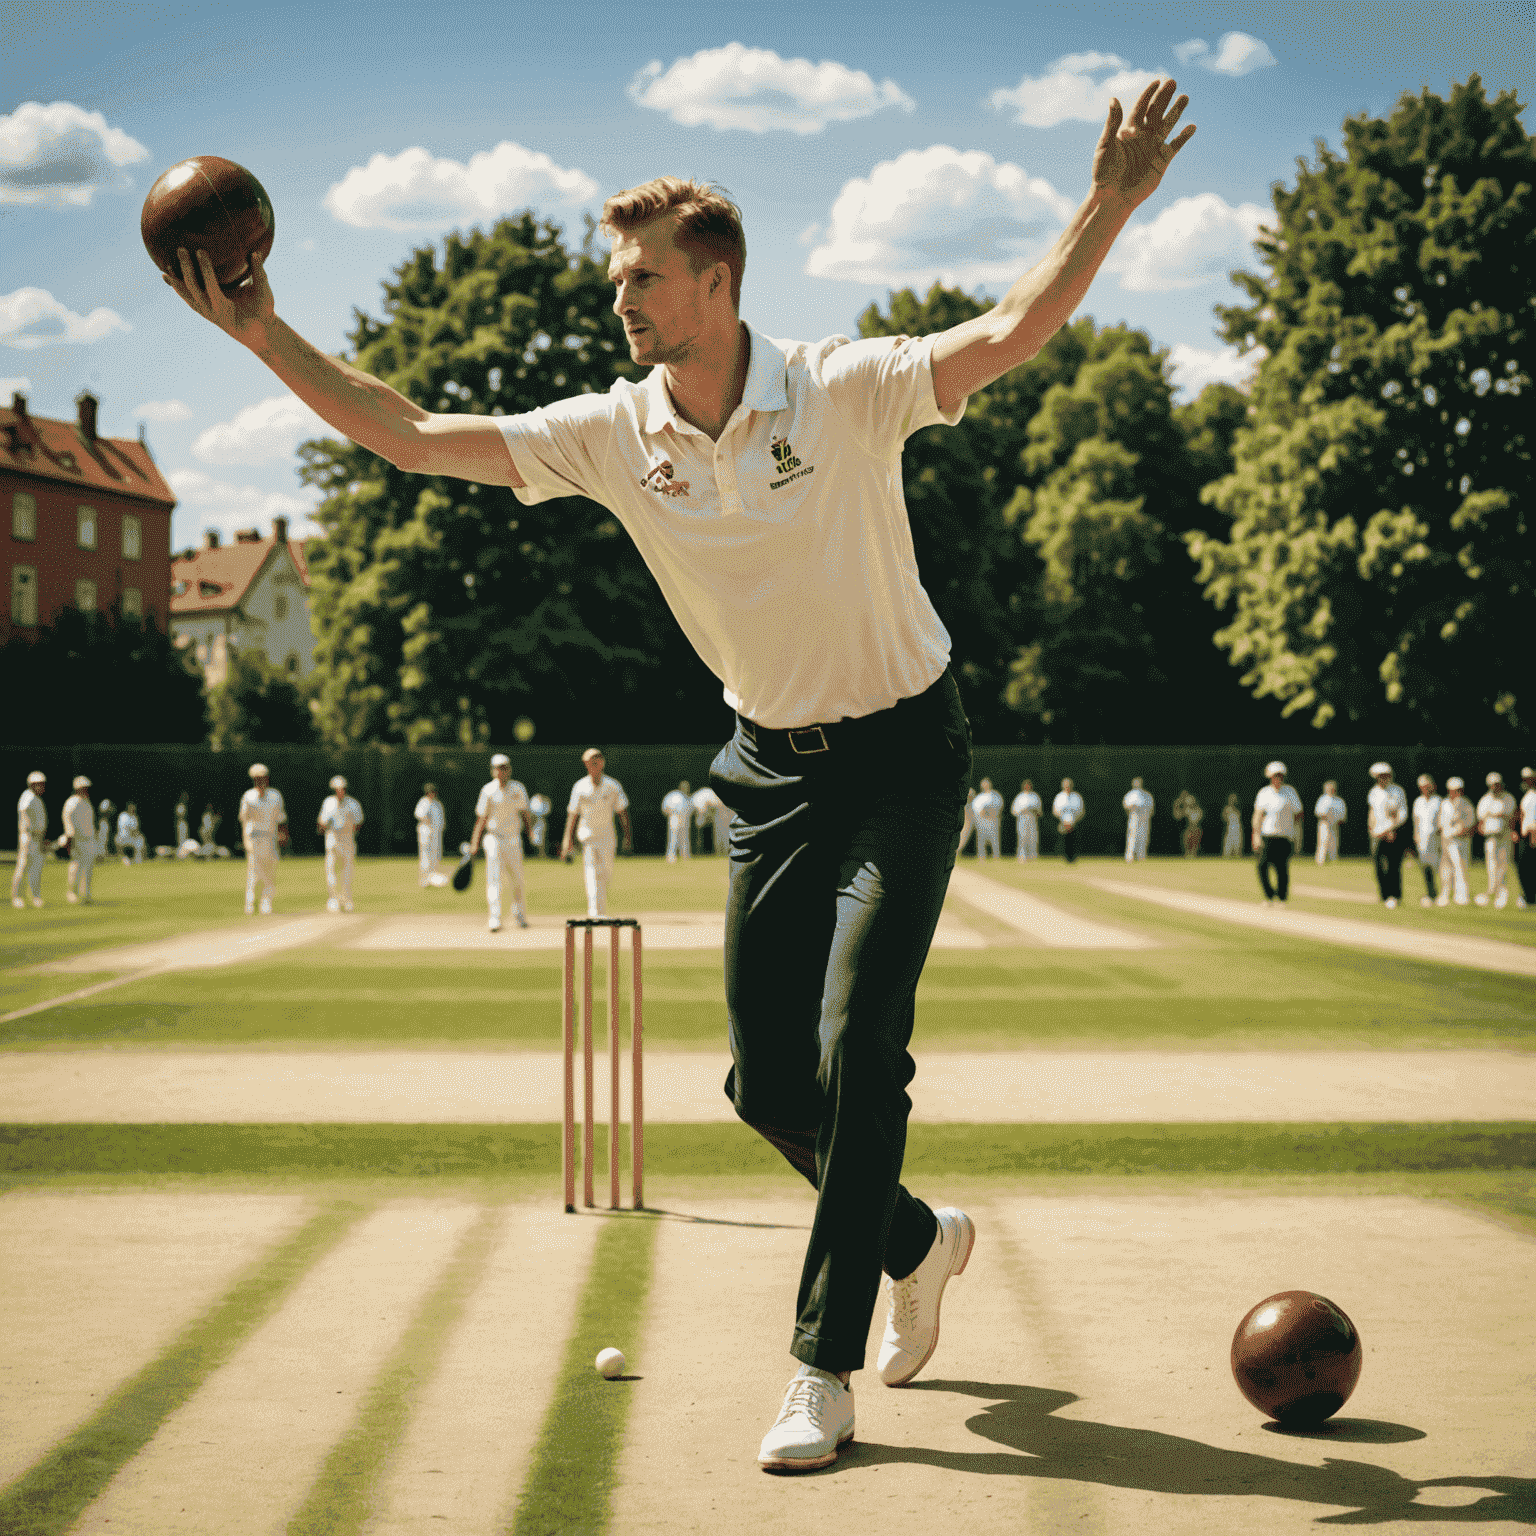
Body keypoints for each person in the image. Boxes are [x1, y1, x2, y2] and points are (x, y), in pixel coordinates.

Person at [162, 73, 1196, 1473]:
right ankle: (918, 1240)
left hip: (904, 749)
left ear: (716, 283)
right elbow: (406, 434)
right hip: (768, 768)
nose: (620, 295)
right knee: (767, 1085)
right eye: (615, 275)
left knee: (857, 1050)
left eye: (643, 274)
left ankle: (819, 1371)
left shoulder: (842, 385)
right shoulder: (612, 432)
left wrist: (1109, 203)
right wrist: (262, 328)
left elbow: (1013, 331)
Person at [560, 748, 631, 918]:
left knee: (605, 874)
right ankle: (594, 912)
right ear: (585, 763)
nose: (594, 762)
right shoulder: (579, 787)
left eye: (597, 759)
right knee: (591, 872)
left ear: (602, 762)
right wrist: (566, 840)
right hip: (588, 837)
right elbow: (572, 815)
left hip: (607, 836)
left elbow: (622, 812)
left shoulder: (613, 785)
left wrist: (627, 836)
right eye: (590, 760)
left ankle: (601, 911)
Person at [469, 753, 533, 932]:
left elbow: (525, 814)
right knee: (494, 880)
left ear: (509, 769)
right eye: (498, 768)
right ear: (493, 770)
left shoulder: (518, 789)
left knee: (518, 880)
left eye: (504, 767)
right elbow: (481, 819)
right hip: (494, 838)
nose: (501, 771)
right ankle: (495, 919)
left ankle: (520, 916)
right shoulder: (487, 790)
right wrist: (475, 842)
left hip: (513, 838)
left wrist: (530, 833)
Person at [238, 764, 287, 915]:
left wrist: (282, 834)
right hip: (254, 837)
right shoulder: (248, 796)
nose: (260, 781)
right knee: (254, 872)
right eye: (257, 779)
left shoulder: (275, 795)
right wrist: (245, 839)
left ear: (266, 778)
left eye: (262, 778)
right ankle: (250, 904)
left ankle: (266, 903)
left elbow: (280, 818)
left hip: (270, 838)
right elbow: (244, 819)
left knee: (270, 872)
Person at [1251, 760, 1303, 903]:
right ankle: (1269, 895)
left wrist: (1298, 835)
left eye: (1280, 776)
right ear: (1270, 777)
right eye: (1275, 776)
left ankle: (1281, 897)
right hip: (1268, 835)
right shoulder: (1264, 793)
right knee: (1262, 865)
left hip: (1285, 836)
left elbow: (1298, 814)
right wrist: (1256, 835)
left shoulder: (1290, 792)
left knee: (1281, 868)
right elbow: (1258, 815)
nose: (1277, 779)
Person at [317, 774, 364, 913]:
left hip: (347, 840)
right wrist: (326, 827)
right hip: (332, 840)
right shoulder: (328, 803)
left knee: (347, 872)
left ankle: (347, 899)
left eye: (342, 788)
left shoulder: (353, 804)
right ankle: (333, 899)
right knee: (331, 871)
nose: (340, 791)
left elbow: (358, 822)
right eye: (337, 789)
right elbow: (322, 823)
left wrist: (347, 830)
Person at [1366, 761, 1409, 909]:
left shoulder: (1397, 791)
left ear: (1389, 776)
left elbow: (1402, 813)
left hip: (1393, 833)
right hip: (1377, 834)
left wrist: (1391, 829)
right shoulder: (1374, 792)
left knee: (1393, 865)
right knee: (1378, 865)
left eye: (1385, 776)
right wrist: (1371, 828)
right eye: (1379, 776)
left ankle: (1394, 895)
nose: (1382, 779)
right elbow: (1372, 811)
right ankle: (1383, 894)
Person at [1474, 771, 1517, 909]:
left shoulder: (1508, 798)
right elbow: (1480, 821)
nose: (1495, 787)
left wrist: (1500, 816)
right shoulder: (1485, 800)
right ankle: (1492, 892)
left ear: (1501, 784)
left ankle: (1502, 896)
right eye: (1492, 785)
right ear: (1489, 786)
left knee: (1503, 866)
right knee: (1491, 866)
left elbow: (1512, 818)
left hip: (1504, 837)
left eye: (1497, 784)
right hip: (1490, 838)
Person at [1437, 778, 1475, 906]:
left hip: (1460, 840)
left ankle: (1462, 896)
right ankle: (1445, 894)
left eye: (1458, 790)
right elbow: (1441, 821)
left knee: (1460, 867)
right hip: (1446, 840)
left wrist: (1461, 831)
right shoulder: (1445, 803)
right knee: (1445, 867)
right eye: (1454, 790)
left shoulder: (1466, 804)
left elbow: (1470, 823)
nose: (1456, 792)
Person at [12, 770, 48, 909]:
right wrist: (30, 829)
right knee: (23, 866)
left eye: (42, 784)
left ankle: (35, 896)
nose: (42, 787)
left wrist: (41, 837)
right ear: (32, 785)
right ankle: (17, 897)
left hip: (36, 838)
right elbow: (24, 811)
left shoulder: (37, 799)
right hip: (28, 837)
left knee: (36, 869)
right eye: (39, 784)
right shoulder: (28, 796)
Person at [61, 775, 98, 904]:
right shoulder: (72, 802)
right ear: (78, 788)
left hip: (89, 840)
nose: (86, 790)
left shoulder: (87, 802)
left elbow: (90, 823)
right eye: (84, 788)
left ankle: (86, 894)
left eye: (87, 788)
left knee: (88, 869)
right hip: (77, 840)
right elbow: (67, 820)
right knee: (76, 867)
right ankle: (72, 893)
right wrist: (69, 837)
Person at [1410, 774, 1442, 908]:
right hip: (1422, 840)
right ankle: (1431, 893)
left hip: (1436, 839)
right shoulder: (1418, 802)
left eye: (1427, 786)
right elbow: (1416, 820)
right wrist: (1416, 835)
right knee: (1426, 867)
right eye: (1422, 787)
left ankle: (1444, 893)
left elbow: (1442, 820)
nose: (1425, 789)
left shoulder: (1439, 801)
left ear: (1432, 786)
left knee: (1440, 867)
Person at [415, 782, 447, 886]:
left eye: (433, 792)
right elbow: (419, 814)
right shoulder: (423, 802)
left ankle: (433, 879)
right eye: (430, 792)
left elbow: (441, 819)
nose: (432, 794)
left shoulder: (437, 804)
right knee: (425, 856)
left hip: (436, 834)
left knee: (435, 856)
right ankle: (424, 880)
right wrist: (427, 820)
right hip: (426, 832)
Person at [1313, 780, 1347, 865]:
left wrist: (1339, 819)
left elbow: (1342, 813)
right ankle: (1320, 860)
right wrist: (1324, 815)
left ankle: (1333, 858)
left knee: (1334, 842)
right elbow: (1317, 811)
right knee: (1323, 841)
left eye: (1332, 788)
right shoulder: (1322, 799)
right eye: (1328, 788)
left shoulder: (1339, 801)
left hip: (1335, 824)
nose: (1330, 790)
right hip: (1324, 823)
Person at [1121, 776, 1154, 862]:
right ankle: (1129, 856)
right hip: (1135, 815)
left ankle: (1141, 856)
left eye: (1138, 782)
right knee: (1133, 835)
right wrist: (1132, 808)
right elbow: (1126, 805)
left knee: (1143, 835)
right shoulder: (1130, 794)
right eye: (1136, 782)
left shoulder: (1146, 795)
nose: (1137, 784)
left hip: (1144, 815)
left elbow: (1151, 806)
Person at [1053, 777, 1085, 863]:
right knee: (1064, 842)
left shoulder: (1077, 797)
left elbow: (1081, 811)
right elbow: (1055, 810)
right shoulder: (1059, 797)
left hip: (1074, 824)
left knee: (1073, 842)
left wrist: (1073, 822)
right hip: (1063, 824)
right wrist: (1064, 822)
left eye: (1069, 785)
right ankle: (1064, 857)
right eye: (1066, 785)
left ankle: (1073, 858)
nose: (1068, 787)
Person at [1517, 767, 1536, 911]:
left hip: (1534, 835)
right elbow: (1523, 813)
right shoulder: (1527, 795)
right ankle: (1529, 897)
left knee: (1530, 868)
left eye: (1529, 778)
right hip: (1525, 836)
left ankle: (1531, 897)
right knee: (1523, 868)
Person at [691, 781, 727, 853]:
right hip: (710, 811)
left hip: (718, 813)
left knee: (720, 833)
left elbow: (714, 806)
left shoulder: (707, 796)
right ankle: (700, 849)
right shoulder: (697, 799)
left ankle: (721, 850)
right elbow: (703, 811)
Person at [972, 778, 1003, 860]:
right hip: (982, 821)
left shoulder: (995, 795)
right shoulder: (979, 797)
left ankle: (996, 855)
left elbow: (999, 805)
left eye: (987, 784)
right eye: (984, 784)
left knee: (994, 839)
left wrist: (991, 811)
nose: (985, 786)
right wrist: (982, 812)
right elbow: (975, 808)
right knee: (981, 839)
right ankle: (982, 856)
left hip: (992, 820)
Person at [662, 780, 694, 863]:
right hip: (674, 817)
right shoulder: (673, 795)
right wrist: (671, 813)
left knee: (684, 839)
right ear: (680, 787)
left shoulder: (687, 798)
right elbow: (664, 807)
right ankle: (671, 856)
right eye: (684, 787)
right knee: (673, 838)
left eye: (687, 787)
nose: (686, 788)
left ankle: (685, 855)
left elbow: (689, 810)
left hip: (684, 819)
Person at [1011, 779, 1041, 861]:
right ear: (1023, 787)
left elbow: (1040, 811)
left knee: (1032, 837)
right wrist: (1022, 811)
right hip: (1022, 818)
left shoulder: (1035, 796)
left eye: (1029, 785)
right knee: (1023, 837)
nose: (1027, 787)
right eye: (1025, 786)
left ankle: (1033, 855)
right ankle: (1022, 855)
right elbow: (1014, 811)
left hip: (1032, 818)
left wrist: (1033, 810)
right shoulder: (1019, 797)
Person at [1171, 790, 1203, 858]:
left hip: (1195, 829)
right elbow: (1177, 816)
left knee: (1194, 843)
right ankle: (1187, 854)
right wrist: (1176, 805)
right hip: (1188, 830)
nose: (1188, 804)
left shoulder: (1198, 810)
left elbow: (1195, 821)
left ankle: (1193, 854)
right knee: (1187, 841)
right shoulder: (1187, 809)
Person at [528, 791, 553, 859]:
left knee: (542, 839)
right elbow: (531, 811)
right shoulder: (534, 801)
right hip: (534, 822)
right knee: (534, 838)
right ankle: (536, 854)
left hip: (541, 822)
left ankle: (542, 854)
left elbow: (547, 811)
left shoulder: (544, 803)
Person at [1220, 793, 1243, 857]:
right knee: (1227, 850)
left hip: (1238, 830)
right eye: (1232, 799)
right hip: (1230, 830)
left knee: (1237, 849)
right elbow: (1224, 818)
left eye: (1235, 799)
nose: (1233, 800)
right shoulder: (1227, 809)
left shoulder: (1237, 810)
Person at [956, 786, 977, 856]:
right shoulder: (963, 804)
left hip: (969, 822)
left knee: (964, 838)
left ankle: (957, 852)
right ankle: (956, 852)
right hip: (964, 822)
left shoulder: (972, 804)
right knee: (961, 837)